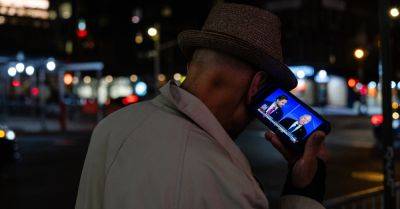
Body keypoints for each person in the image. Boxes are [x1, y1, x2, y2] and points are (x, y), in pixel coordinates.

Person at [75, 3, 328, 209]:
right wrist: (304, 192)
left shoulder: (111, 127)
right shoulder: (226, 183)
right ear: (257, 86)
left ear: (192, 67)